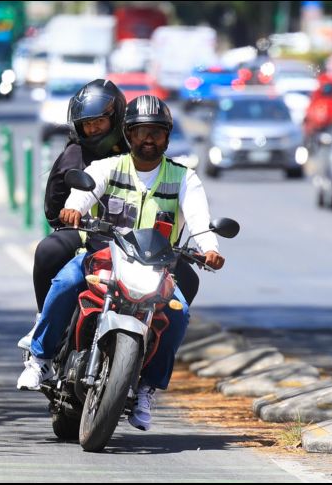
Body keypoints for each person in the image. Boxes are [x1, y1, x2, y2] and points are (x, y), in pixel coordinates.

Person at [17, 95, 225, 433]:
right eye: (141, 132)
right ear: (128, 134)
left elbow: (200, 220)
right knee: (66, 282)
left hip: (155, 268)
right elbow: (84, 193)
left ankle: (146, 389)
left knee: (179, 312)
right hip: (103, 256)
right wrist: (74, 209)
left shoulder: (184, 178)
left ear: (167, 137)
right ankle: (39, 358)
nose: (148, 139)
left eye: (156, 132)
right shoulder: (109, 166)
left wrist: (210, 248)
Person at [17, 79, 128, 351]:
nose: (93, 129)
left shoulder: (135, 150)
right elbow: (53, 209)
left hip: (133, 241)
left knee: (185, 279)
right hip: (87, 234)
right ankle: (44, 323)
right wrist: (72, 216)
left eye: (99, 121)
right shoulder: (74, 154)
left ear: (116, 118)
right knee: (48, 251)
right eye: (87, 124)